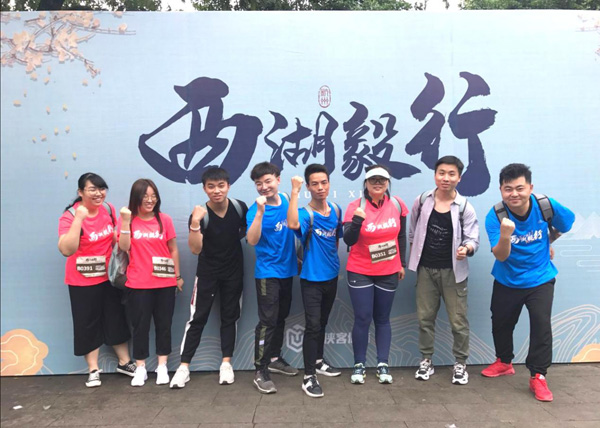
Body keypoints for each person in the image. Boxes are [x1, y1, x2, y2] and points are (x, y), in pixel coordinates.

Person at [482, 163, 574, 402]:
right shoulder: (496, 215)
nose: (514, 194)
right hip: (507, 279)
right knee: (501, 323)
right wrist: (505, 235)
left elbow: (567, 223)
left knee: (541, 325)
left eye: (519, 188)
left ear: (530, 188)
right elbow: (501, 255)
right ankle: (504, 362)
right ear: (501, 190)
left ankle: (538, 375)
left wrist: (549, 240)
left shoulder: (545, 205)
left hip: (540, 278)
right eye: (508, 189)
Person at [170, 168, 248, 389]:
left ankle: (226, 364)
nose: (217, 191)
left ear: (228, 186)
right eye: (211, 187)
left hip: (233, 273)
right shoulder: (199, 214)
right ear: (204, 189)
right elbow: (195, 249)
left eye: (221, 185)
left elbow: (245, 232)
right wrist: (195, 223)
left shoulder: (239, 208)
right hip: (207, 274)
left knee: (230, 317)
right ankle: (184, 367)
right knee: (197, 318)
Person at [58, 172, 135, 388]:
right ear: (80, 192)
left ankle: (125, 362)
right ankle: (93, 369)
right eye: (92, 189)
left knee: (115, 317)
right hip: (82, 280)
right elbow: (66, 249)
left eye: (102, 189)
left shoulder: (109, 210)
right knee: (87, 322)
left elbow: (115, 240)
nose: (98, 193)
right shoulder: (69, 216)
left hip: (109, 277)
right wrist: (79, 219)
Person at [408, 156, 480, 385]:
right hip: (426, 270)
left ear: (459, 178)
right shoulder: (422, 201)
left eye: (451, 174)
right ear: (435, 175)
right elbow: (412, 232)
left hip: (453, 272)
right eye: (441, 173)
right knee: (424, 319)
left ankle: (460, 363)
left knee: (458, 321)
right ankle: (426, 360)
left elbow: (473, 239)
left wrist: (466, 249)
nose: (445, 178)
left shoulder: (465, 207)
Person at [343, 164, 408, 385]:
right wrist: (357, 221)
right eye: (373, 180)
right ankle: (359, 364)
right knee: (363, 317)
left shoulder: (397, 205)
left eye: (382, 180)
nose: (378, 183)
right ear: (366, 183)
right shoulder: (355, 206)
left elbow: (401, 236)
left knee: (382, 318)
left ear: (388, 183)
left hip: (388, 270)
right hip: (360, 269)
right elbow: (348, 239)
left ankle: (382, 364)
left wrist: (402, 263)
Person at [118, 178, 184, 387]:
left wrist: (177, 276)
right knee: (140, 327)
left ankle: (162, 366)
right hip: (138, 283)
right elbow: (123, 246)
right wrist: (126, 222)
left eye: (153, 196)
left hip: (165, 283)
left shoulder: (164, 219)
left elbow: (173, 249)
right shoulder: (127, 220)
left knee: (164, 325)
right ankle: (140, 367)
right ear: (136, 198)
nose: (150, 200)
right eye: (145, 196)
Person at [287, 164, 343, 398]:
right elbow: (292, 224)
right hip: (311, 279)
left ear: (329, 184)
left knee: (322, 322)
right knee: (313, 325)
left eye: (324, 182)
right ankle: (309, 376)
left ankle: (318, 361)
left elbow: (336, 241)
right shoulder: (305, 214)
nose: (320, 187)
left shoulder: (336, 210)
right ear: (309, 187)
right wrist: (295, 191)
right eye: (315, 184)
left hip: (332, 276)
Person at [246, 162, 298, 394]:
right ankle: (260, 370)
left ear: (278, 179)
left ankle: (275, 358)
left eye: (268, 181)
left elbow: (295, 225)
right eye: (259, 183)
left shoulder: (286, 199)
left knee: (280, 317)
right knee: (267, 322)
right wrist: (260, 212)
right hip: (268, 273)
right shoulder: (254, 210)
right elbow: (252, 240)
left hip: (288, 271)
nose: (264, 186)